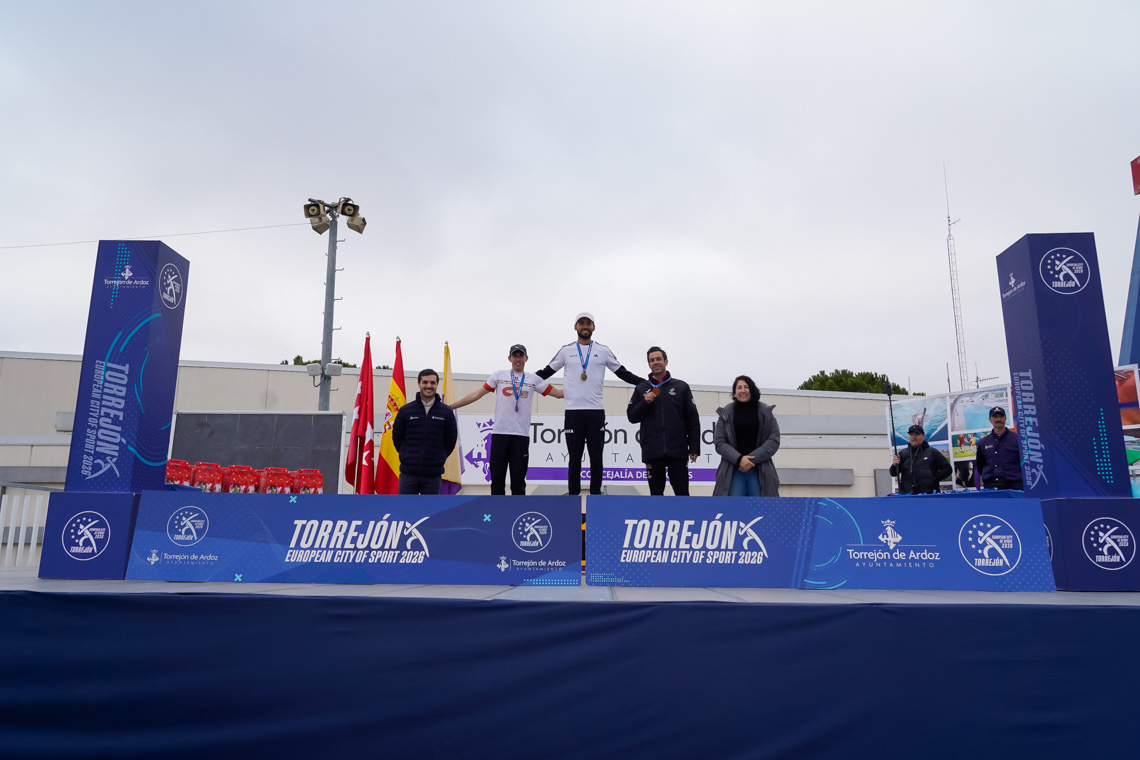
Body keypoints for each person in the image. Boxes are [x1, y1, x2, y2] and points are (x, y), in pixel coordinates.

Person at [534, 312, 643, 495]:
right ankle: (573, 496)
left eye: (588, 323)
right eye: (581, 323)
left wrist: (646, 384)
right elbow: (545, 373)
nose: (585, 326)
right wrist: (523, 381)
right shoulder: (566, 351)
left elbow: (623, 373)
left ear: (593, 327)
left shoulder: (603, 351)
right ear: (575, 327)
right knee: (574, 458)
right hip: (573, 412)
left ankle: (595, 495)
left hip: (595, 412)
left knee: (596, 457)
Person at [450, 344, 565, 495]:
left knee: (518, 484)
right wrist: (450, 407)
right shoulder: (499, 376)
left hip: (520, 436)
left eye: (521, 356)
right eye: (515, 356)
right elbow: (477, 394)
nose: (518, 359)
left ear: (526, 358)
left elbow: (558, 394)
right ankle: (497, 510)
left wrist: (584, 388)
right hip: (500, 435)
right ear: (509, 358)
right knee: (497, 482)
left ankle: (517, 510)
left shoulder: (533, 379)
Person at [626, 346, 700, 496]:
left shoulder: (681, 387)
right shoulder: (641, 388)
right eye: (652, 360)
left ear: (666, 361)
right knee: (656, 497)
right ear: (649, 364)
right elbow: (632, 417)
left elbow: (692, 419)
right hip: (652, 452)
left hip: (677, 451)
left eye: (658, 359)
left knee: (682, 495)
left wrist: (694, 447)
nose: (656, 362)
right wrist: (645, 403)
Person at [392, 368, 458, 495]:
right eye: (425, 382)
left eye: (433, 383)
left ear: (437, 385)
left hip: (433, 475)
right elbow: (397, 438)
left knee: (431, 508)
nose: (429, 386)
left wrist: (440, 457)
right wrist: (406, 455)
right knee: (405, 507)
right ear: (419, 383)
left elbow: (450, 441)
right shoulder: (406, 410)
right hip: (408, 473)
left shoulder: (446, 412)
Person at [712, 375, 781, 497]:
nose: (742, 390)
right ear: (734, 392)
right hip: (733, 471)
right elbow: (719, 443)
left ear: (752, 390)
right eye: (739, 388)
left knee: (761, 507)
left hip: (760, 470)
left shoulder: (766, 413)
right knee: (733, 508)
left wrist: (749, 461)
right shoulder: (725, 414)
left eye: (746, 387)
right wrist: (739, 459)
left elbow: (774, 440)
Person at [889, 424, 952, 495]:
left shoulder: (932, 452)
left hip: (929, 495)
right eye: (911, 434)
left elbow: (947, 469)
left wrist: (933, 478)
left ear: (923, 436)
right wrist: (894, 465)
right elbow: (893, 473)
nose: (914, 437)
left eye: (917, 434)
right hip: (908, 495)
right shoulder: (903, 454)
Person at [973, 406, 1023, 490]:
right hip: (991, 486)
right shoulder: (983, 443)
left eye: (1001, 416)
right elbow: (980, 466)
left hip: (1015, 486)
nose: (998, 419)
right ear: (990, 419)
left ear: (1005, 418)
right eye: (995, 417)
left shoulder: (1018, 439)